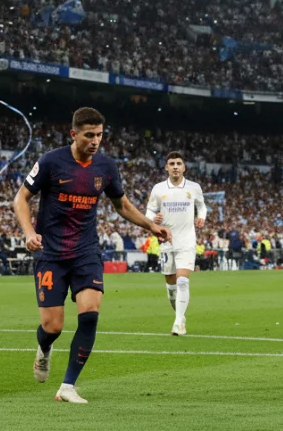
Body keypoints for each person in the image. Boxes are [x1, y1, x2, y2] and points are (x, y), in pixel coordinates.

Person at [12, 107, 171, 404]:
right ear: (74, 134)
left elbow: (122, 205)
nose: (95, 141)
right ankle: (44, 348)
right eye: (89, 135)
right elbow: (21, 198)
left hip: (86, 252)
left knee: (90, 314)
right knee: (52, 327)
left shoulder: (106, 167)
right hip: (51, 254)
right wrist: (29, 232)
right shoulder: (50, 162)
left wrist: (151, 226)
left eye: (99, 135)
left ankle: (68, 386)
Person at [145, 151, 207, 335]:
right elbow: (149, 211)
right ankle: (180, 315)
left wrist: (201, 217)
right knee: (172, 287)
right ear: (166, 167)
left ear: (184, 167)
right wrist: (153, 219)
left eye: (178, 163)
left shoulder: (194, 187)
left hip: (187, 240)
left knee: (182, 281)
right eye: (171, 164)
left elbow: (202, 206)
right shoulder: (158, 189)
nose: (175, 167)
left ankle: (178, 323)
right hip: (167, 242)